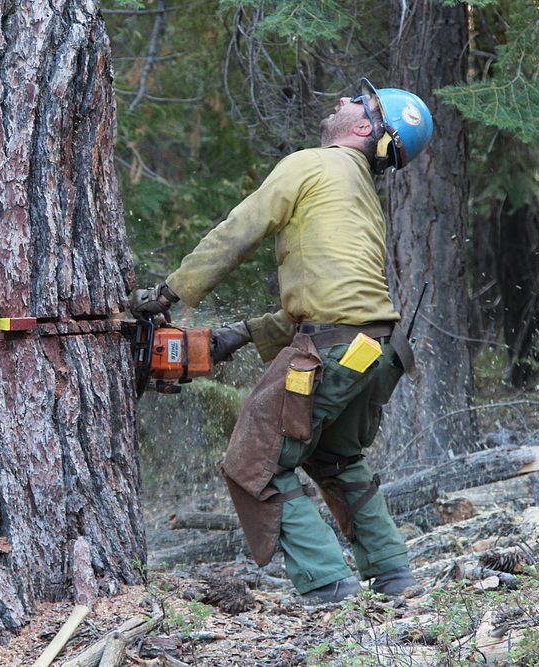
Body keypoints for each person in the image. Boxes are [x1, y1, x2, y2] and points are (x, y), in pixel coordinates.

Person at [131, 78, 434, 603]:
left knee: (258, 462)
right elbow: (333, 298)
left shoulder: (312, 164)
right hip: (379, 351)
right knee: (336, 460)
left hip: (336, 349)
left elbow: (239, 230)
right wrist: (244, 334)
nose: (341, 100)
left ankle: (328, 587)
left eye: (354, 102)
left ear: (363, 126)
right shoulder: (357, 189)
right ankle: (393, 574)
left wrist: (169, 293)